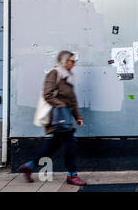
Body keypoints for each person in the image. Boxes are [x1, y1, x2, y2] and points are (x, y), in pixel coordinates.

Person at [18, 51, 87, 186]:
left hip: (65, 118)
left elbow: (72, 100)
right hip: (57, 117)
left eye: (74, 61)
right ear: (64, 61)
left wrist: (78, 116)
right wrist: (62, 107)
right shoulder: (54, 74)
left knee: (53, 145)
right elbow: (47, 94)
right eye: (71, 61)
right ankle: (72, 175)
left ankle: (30, 165)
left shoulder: (68, 77)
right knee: (70, 145)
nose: (74, 64)